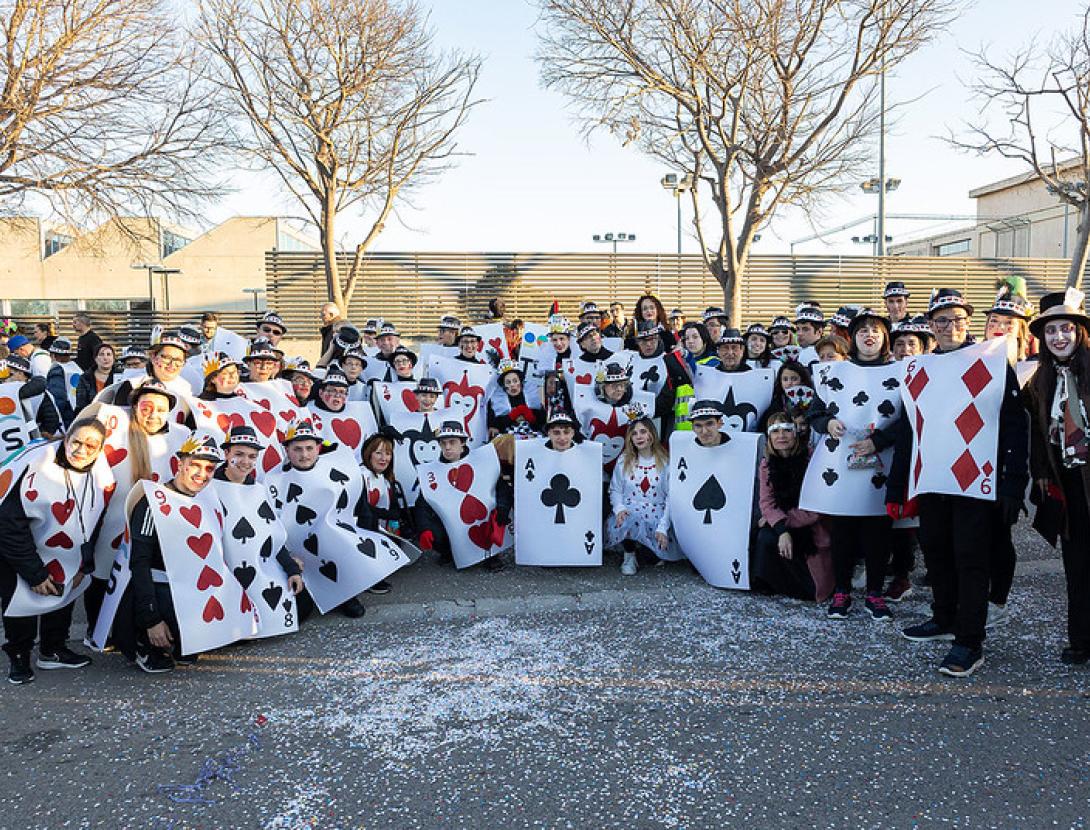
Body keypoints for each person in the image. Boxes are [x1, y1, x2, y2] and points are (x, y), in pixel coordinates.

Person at [889, 288, 1028, 678]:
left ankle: (970, 641)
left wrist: (1013, 482)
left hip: (974, 480)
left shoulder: (994, 361)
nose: (951, 327)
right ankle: (945, 617)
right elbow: (911, 429)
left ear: (969, 323)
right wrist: (899, 484)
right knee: (936, 551)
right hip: (933, 477)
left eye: (958, 320)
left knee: (971, 558)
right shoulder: (919, 368)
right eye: (942, 321)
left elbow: (1016, 425)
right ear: (931, 327)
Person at [0, 418, 109, 684]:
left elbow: (95, 523)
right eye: (76, 442)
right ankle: (19, 656)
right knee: (21, 602)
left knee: (64, 594)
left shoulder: (102, 475)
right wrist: (34, 573)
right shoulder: (35, 466)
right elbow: (8, 525)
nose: (81, 451)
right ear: (66, 439)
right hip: (20, 548)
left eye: (91, 446)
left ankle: (52, 649)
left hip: (64, 548)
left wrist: (84, 564)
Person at [809, 308, 900, 622]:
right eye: (863, 330)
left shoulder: (902, 372)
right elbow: (815, 413)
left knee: (878, 531)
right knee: (844, 532)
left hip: (882, 464)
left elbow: (911, 422)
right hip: (842, 464)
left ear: (885, 337)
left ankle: (875, 592)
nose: (870, 335)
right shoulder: (833, 373)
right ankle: (842, 590)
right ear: (853, 337)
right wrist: (827, 423)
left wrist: (880, 441)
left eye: (876, 330)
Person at [82, 380, 188, 634]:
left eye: (161, 409)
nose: (153, 415)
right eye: (147, 407)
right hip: (113, 517)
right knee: (103, 572)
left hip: (158, 520)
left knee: (143, 576)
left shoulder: (182, 435)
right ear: (135, 406)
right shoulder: (115, 430)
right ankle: (97, 629)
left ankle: (131, 630)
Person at [753, 413, 833, 602]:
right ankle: (770, 583)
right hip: (787, 524)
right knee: (765, 535)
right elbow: (766, 502)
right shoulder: (766, 465)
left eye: (787, 430)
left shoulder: (812, 460)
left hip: (812, 529)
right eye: (776, 431)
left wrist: (780, 520)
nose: (781, 436)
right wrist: (781, 530)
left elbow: (817, 507)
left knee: (813, 590)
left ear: (795, 434)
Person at [607, 417, 672, 576]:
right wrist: (619, 509)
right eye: (634, 433)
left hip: (655, 512)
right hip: (630, 511)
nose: (639, 436)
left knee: (654, 558)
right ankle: (629, 554)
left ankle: (645, 550)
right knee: (628, 519)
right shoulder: (624, 460)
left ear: (652, 434)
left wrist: (663, 527)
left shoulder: (665, 461)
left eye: (643, 431)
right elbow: (615, 490)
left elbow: (671, 496)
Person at [357, 432, 415, 592]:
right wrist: (385, 514)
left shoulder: (384, 479)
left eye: (388, 453)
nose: (384, 458)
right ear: (369, 454)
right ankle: (369, 576)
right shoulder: (359, 475)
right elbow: (359, 508)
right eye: (379, 453)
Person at [109, 331, 194, 406]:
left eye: (178, 360)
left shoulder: (185, 388)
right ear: (153, 357)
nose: (172, 364)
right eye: (166, 357)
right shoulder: (133, 384)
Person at [2, 354, 62, 438]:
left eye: (10, 375)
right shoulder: (5, 393)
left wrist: (40, 434)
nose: (5, 381)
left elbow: (51, 419)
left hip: (37, 443)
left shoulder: (40, 394)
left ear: (21, 373)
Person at [488, 360, 543, 437]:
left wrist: (528, 415)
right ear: (503, 386)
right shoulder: (497, 402)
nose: (512, 385)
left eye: (515, 381)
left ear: (520, 382)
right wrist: (513, 415)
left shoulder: (532, 398)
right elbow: (496, 425)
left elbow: (541, 423)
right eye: (508, 382)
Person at [45, 338, 80, 427]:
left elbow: (57, 399)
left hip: (65, 418)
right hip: (79, 414)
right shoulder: (76, 368)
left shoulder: (57, 370)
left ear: (53, 355)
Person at [75, 342, 116, 413]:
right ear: (95, 358)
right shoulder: (85, 378)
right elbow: (81, 404)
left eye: (108, 354)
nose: (105, 358)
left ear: (113, 358)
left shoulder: (120, 375)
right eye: (101, 354)